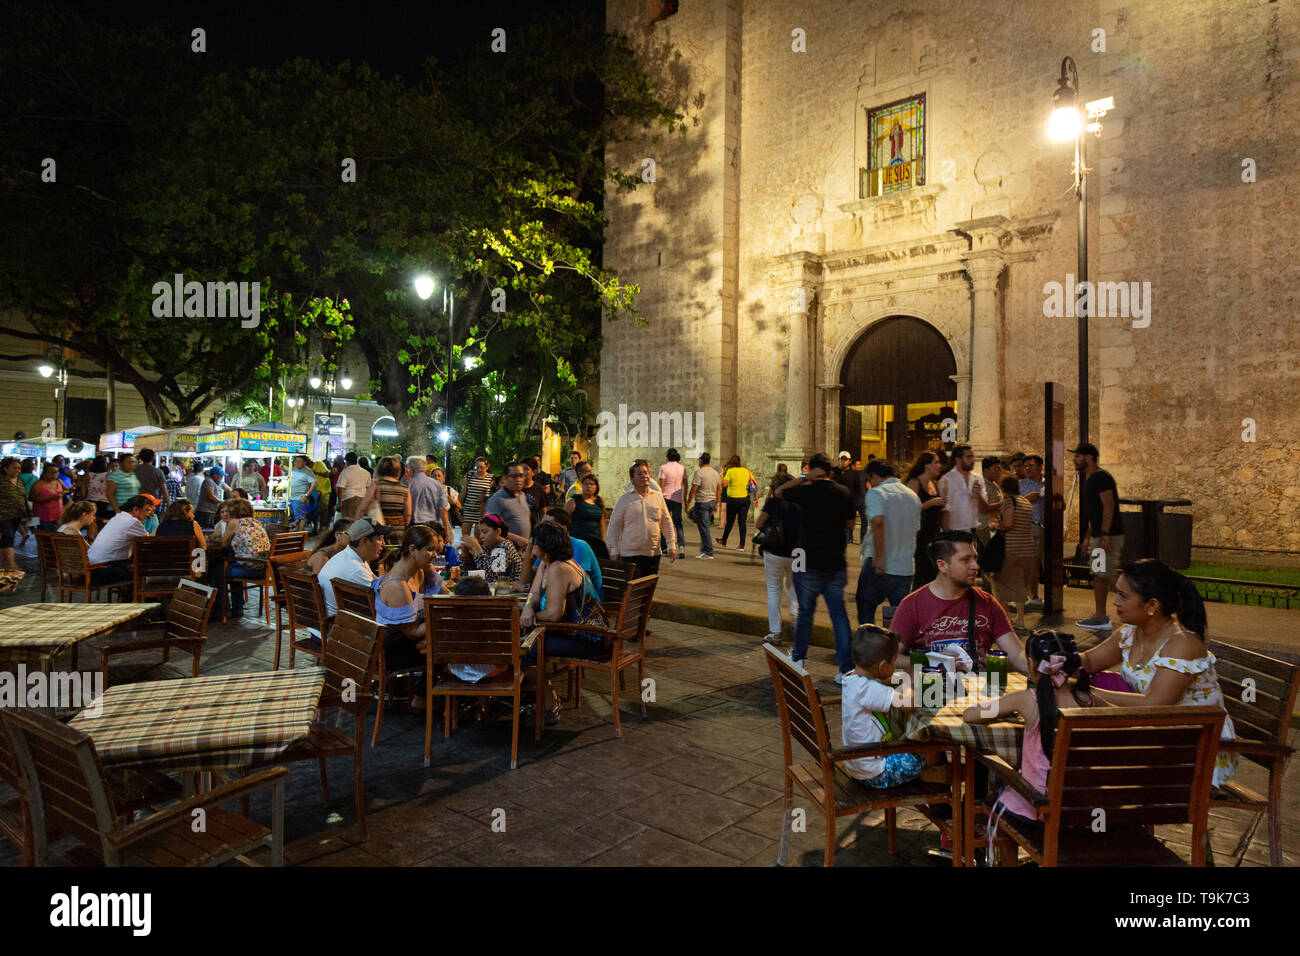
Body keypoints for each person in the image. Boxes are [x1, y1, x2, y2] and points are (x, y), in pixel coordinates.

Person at [1080, 558, 1236, 786]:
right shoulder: (1132, 632)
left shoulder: (1182, 644)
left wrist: (1089, 694)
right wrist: (1059, 658)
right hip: (1154, 736)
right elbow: (1091, 660)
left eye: (1123, 596)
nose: (1115, 602)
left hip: (1196, 748)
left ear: (1152, 605)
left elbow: (1154, 704)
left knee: (1080, 754)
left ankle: (1092, 814)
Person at [963, 630, 1099, 836]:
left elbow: (971, 715)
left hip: (1037, 807)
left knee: (995, 787)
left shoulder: (1026, 699)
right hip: (1085, 809)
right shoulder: (1090, 700)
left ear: (1031, 664)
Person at [889, 531, 1028, 674]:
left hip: (977, 691)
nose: (976, 566)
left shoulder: (987, 603)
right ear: (942, 566)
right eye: (966, 560)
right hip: (931, 690)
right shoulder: (913, 604)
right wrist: (932, 660)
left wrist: (1040, 667)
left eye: (975, 558)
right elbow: (890, 658)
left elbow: (1017, 654)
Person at [774, 452, 857, 681]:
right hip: (835, 563)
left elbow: (780, 492)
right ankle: (845, 668)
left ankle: (799, 657)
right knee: (838, 616)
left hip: (807, 561)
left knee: (806, 613)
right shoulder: (843, 493)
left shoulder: (805, 491)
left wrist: (803, 477)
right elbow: (850, 524)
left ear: (813, 469)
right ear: (831, 471)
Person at [520, 521, 608, 723]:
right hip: (569, 631)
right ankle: (535, 698)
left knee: (526, 649)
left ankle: (548, 704)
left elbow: (553, 615)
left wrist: (528, 617)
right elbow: (533, 592)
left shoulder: (559, 568)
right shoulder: (547, 563)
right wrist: (527, 608)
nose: (531, 547)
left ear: (544, 547)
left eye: (534, 543)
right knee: (524, 638)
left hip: (588, 637)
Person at [840, 626, 944, 786]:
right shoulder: (868, 689)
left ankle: (932, 777)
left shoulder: (852, 680)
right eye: (894, 661)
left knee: (919, 747)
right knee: (933, 753)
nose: (896, 665)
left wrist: (892, 679)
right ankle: (938, 782)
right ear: (882, 666)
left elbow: (878, 684)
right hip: (875, 772)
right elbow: (908, 703)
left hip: (857, 764)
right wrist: (909, 681)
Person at [371, 524, 448, 707]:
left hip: (406, 642)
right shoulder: (397, 586)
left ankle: (438, 693)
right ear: (412, 549)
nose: (435, 555)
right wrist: (442, 618)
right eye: (430, 550)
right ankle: (422, 698)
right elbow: (412, 632)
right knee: (448, 645)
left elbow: (443, 591)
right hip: (391, 651)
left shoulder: (420, 571)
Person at [855, 459, 922, 628]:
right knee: (898, 617)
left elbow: (878, 522)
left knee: (866, 608)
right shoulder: (913, 496)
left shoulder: (877, 493)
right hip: (905, 566)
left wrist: (879, 558)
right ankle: (894, 650)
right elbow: (915, 531)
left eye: (870, 479)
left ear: (875, 476)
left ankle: (870, 648)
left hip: (881, 564)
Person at [1071, 442, 1126, 630]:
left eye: (1078, 456)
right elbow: (1094, 513)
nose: (1075, 459)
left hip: (1107, 535)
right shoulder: (1090, 479)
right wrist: (1088, 537)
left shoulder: (1100, 477)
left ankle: (1142, 605)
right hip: (1099, 535)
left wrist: (1104, 534)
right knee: (1100, 574)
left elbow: (1108, 505)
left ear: (1089, 458)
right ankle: (1101, 616)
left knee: (1107, 573)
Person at [606, 459, 676, 577]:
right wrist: (613, 550)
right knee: (633, 589)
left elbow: (666, 522)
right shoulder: (624, 499)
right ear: (632, 479)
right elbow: (614, 526)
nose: (644, 476)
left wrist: (671, 544)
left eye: (646, 473)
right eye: (639, 474)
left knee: (648, 589)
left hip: (653, 553)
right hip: (630, 554)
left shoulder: (658, 497)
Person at [206, 497, 271, 619]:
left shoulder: (235, 522)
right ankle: (237, 608)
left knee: (216, 571)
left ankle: (223, 609)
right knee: (229, 567)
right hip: (265, 568)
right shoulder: (255, 522)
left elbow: (224, 543)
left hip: (250, 569)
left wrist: (212, 540)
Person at [755, 475, 800, 644]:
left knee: (774, 589)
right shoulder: (801, 503)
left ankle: (775, 632)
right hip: (798, 552)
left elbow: (759, 524)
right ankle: (797, 628)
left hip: (774, 551)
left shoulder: (773, 503)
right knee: (796, 589)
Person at [520, 509, 603, 598]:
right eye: (541, 524)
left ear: (563, 529)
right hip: (556, 600)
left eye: (547, 525)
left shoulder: (580, 546)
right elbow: (527, 582)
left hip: (584, 607)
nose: (541, 530)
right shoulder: (547, 548)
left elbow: (570, 585)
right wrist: (529, 549)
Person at [319, 519, 388, 618]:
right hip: (339, 628)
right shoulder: (355, 569)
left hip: (337, 623)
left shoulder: (350, 555)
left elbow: (376, 581)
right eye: (379, 539)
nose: (383, 544)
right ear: (364, 541)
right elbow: (386, 601)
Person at [994, 475, 1038, 631]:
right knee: (1020, 584)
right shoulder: (1025, 501)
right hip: (1028, 548)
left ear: (1003, 488)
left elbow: (1008, 524)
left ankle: (1004, 618)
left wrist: (995, 526)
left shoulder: (1009, 501)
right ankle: (1019, 619)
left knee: (1002, 582)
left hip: (1012, 548)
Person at [87, 495, 156, 591]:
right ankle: (138, 600)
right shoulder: (132, 522)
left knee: (134, 567)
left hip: (92, 569)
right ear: (135, 510)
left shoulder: (117, 517)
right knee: (145, 572)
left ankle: (127, 598)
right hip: (104, 571)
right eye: (147, 510)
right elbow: (149, 543)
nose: (148, 514)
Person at [905, 452, 946, 590]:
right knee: (921, 576)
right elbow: (909, 510)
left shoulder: (935, 484)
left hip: (933, 536)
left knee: (932, 576)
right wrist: (931, 503)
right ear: (927, 465)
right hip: (919, 536)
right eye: (937, 462)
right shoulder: (914, 483)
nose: (940, 466)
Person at [937, 444, 992, 535]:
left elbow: (984, 510)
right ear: (958, 459)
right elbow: (941, 511)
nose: (973, 460)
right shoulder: (946, 480)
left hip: (972, 530)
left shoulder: (978, 478)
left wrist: (977, 495)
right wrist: (948, 534)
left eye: (973, 456)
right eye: (969, 457)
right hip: (952, 531)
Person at [356, 456, 411, 544]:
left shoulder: (376, 485)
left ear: (380, 469)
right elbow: (408, 514)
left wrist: (355, 523)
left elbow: (363, 508)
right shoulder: (404, 489)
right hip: (398, 529)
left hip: (379, 528)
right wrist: (403, 526)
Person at [459, 513, 523, 587]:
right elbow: (468, 576)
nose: (481, 536)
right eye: (480, 532)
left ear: (498, 531)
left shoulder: (505, 547)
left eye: (485, 532)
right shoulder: (487, 547)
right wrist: (465, 555)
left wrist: (476, 547)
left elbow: (491, 579)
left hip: (509, 594)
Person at [482, 461, 532, 552]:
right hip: (504, 553)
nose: (518, 479)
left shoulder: (522, 495)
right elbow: (488, 528)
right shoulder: (497, 500)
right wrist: (517, 538)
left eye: (521, 476)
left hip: (523, 552)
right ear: (505, 478)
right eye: (514, 476)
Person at [1019, 454, 1045, 609]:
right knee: (1025, 562)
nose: (1027, 469)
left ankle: (1033, 594)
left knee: (1036, 562)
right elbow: (1011, 503)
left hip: (1042, 527)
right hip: (1026, 526)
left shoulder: (1048, 484)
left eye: (1031, 466)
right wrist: (1027, 499)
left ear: (1040, 466)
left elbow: (1060, 505)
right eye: (1026, 466)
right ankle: (1026, 595)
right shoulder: (1020, 484)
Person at [685, 452, 722, 558]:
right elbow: (719, 489)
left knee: (704, 527)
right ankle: (704, 549)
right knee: (704, 526)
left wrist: (688, 501)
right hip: (711, 502)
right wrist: (716, 504)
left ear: (701, 461)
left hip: (702, 502)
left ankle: (708, 551)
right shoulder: (715, 473)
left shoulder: (699, 473)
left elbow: (694, 489)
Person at [718, 454, 757, 551]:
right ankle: (741, 545)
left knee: (730, 521)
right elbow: (755, 484)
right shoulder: (746, 471)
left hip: (733, 499)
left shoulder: (731, 471)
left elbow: (724, 484)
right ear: (739, 462)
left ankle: (724, 540)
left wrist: (722, 473)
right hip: (745, 499)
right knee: (742, 522)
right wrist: (756, 498)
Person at [565, 473, 608, 559]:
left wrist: (603, 541)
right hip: (578, 541)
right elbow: (564, 519)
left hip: (595, 543)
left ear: (596, 487)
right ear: (582, 486)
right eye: (586, 484)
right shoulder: (574, 501)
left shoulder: (599, 502)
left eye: (592, 484)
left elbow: (601, 525)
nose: (589, 486)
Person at [0, 458, 32, 570]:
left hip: (17, 515)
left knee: (7, 539)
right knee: (8, 537)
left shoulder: (19, 481)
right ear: (5, 468)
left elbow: (23, 497)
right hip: (3, 515)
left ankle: (1, 565)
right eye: (14, 468)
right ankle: (12, 564)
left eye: (19, 468)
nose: (17, 470)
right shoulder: (1, 480)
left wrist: (28, 511)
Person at [657, 449, 687, 560]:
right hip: (677, 499)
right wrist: (685, 498)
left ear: (667, 456)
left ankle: (664, 548)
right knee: (678, 524)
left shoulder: (663, 468)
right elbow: (685, 484)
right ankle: (681, 548)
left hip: (665, 498)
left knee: (663, 523)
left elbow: (662, 484)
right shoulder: (682, 468)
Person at [406, 455, 449, 531]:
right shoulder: (437, 485)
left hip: (415, 526)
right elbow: (443, 509)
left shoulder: (408, 485)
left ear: (412, 470)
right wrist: (446, 530)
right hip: (434, 526)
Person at [835, 451, 867, 545]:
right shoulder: (834, 472)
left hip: (850, 503)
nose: (843, 461)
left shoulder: (854, 474)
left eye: (845, 460)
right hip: (837, 503)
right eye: (842, 459)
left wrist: (854, 501)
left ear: (849, 461)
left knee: (850, 524)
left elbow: (858, 489)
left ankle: (850, 538)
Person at [460, 457, 494, 540]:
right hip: (468, 508)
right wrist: (459, 503)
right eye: (477, 467)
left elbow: (493, 494)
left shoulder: (491, 478)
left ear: (487, 467)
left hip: (481, 511)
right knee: (465, 537)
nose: (479, 470)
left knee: (479, 537)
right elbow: (464, 490)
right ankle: (465, 552)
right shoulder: (470, 475)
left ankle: (477, 552)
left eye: (481, 467)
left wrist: (485, 497)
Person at [29, 464, 70, 531]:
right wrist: (48, 497)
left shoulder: (58, 481)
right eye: (51, 472)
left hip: (58, 515)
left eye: (56, 472)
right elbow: (31, 498)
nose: (54, 474)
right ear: (44, 473)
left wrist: (62, 493)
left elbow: (67, 490)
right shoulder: (39, 484)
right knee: (44, 538)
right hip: (43, 517)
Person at [335, 452, 372, 521]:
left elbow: (340, 488)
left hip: (349, 499)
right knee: (359, 523)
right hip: (362, 500)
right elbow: (368, 488)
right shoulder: (366, 472)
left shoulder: (345, 472)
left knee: (348, 522)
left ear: (347, 461)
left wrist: (340, 502)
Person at [134, 448, 170, 514]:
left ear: (141, 457)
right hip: (152, 502)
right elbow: (164, 490)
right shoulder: (158, 471)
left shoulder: (135, 470)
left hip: (137, 501)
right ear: (153, 458)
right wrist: (168, 503)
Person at [287, 455, 317, 531]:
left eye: (299, 461)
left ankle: (300, 535)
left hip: (299, 498)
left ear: (304, 463)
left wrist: (306, 495)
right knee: (290, 516)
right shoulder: (292, 469)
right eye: (296, 461)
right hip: (289, 497)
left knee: (301, 517)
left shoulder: (308, 472)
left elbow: (314, 484)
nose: (297, 463)